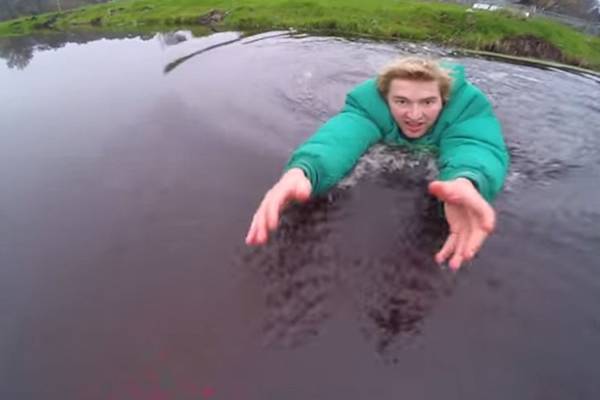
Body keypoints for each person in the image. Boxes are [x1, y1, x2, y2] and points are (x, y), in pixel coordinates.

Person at [245, 57, 509, 271]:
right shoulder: (370, 109)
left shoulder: (466, 111)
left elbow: (475, 145)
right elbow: (339, 139)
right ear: (385, 99)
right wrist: (305, 170)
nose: (415, 115)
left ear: (444, 100)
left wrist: (467, 179)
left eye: (428, 102)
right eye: (401, 101)